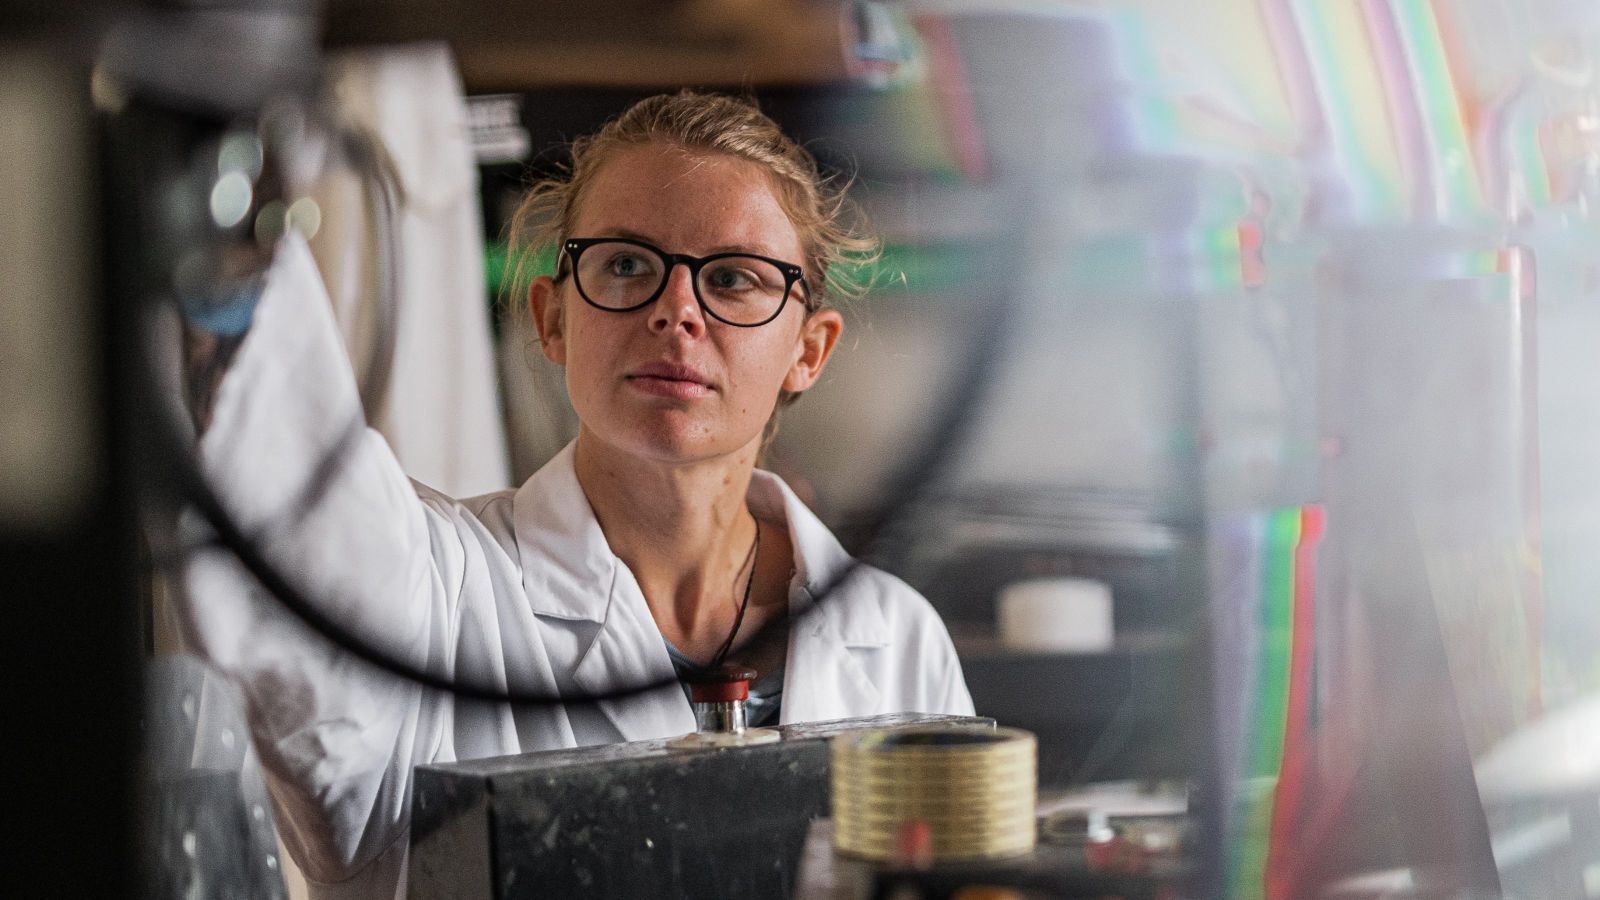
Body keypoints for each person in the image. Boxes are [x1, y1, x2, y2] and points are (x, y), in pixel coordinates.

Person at [181, 91, 972, 900]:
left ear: (809, 350)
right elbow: (289, 484)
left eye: (733, 277)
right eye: (627, 264)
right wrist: (210, 194)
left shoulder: (893, 636)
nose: (677, 312)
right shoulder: (436, 593)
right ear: (552, 319)